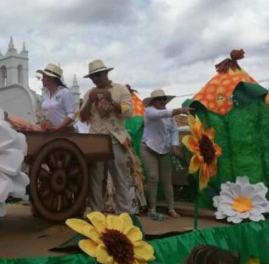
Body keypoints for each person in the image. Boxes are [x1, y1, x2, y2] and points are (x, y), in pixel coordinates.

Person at [79, 59, 136, 214]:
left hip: (116, 138)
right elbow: (83, 118)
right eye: (93, 77)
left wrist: (111, 101)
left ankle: (125, 215)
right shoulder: (88, 94)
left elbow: (129, 112)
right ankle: (96, 214)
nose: (96, 79)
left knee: (120, 179)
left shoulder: (121, 89)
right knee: (95, 180)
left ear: (106, 73)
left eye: (98, 75)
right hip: (95, 140)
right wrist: (90, 100)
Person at [141, 89, 191, 221]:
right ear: (153, 102)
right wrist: (180, 110)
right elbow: (160, 114)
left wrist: (175, 144)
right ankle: (152, 208)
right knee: (152, 177)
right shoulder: (149, 111)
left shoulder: (169, 115)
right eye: (159, 99)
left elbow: (174, 131)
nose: (162, 101)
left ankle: (171, 208)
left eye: (163, 99)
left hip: (164, 149)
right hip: (148, 148)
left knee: (167, 179)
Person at [37, 63, 76, 132]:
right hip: (50, 131)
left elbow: (71, 114)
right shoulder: (45, 94)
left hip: (66, 132)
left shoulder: (65, 92)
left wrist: (58, 127)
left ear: (51, 78)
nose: (42, 80)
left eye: (44, 77)